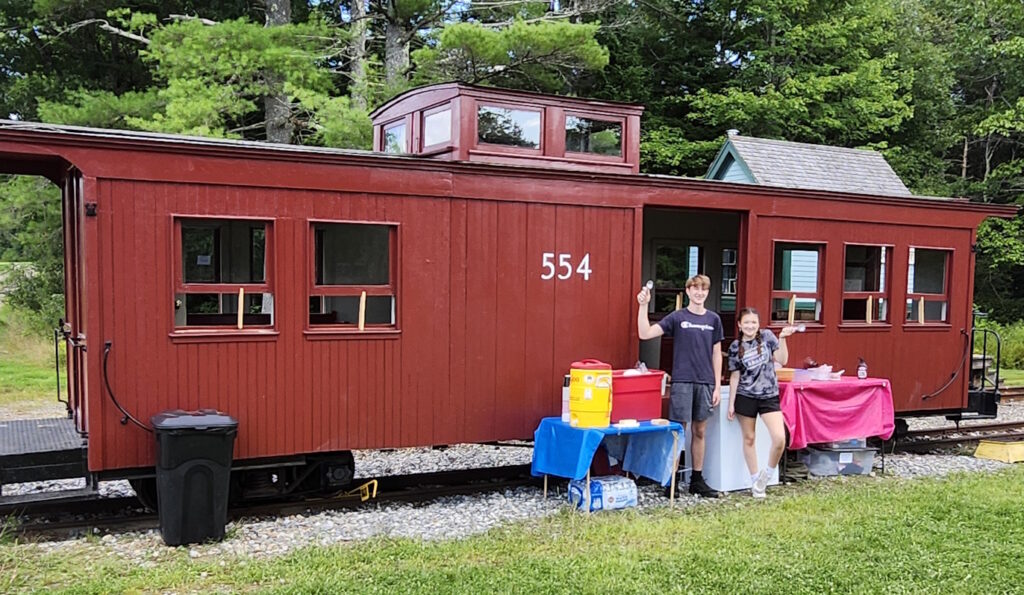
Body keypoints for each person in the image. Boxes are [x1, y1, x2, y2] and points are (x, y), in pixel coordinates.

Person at [637, 274, 723, 498]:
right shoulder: (677, 317)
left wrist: (715, 385)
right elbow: (644, 333)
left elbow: (717, 354)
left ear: (707, 292)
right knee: (678, 432)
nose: (699, 292)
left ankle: (697, 479)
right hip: (682, 381)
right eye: (695, 288)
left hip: (705, 382)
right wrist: (643, 306)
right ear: (687, 291)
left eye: (703, 289)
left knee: (700, 430)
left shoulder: (713, 319)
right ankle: (671, 480)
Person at [726, 307, 797, 499]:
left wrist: (782, 338)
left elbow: (782, 360)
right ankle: (755, 479)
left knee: (779, 438)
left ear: (759, 324)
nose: (750, 326)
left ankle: (767, 475)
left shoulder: (767, 337)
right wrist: (731, 403)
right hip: (745, 396)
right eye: (746, 323)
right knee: (749, 438)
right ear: (740, 325)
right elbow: (734, 376)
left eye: (754, 323)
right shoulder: (734, 347)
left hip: (769, 396)